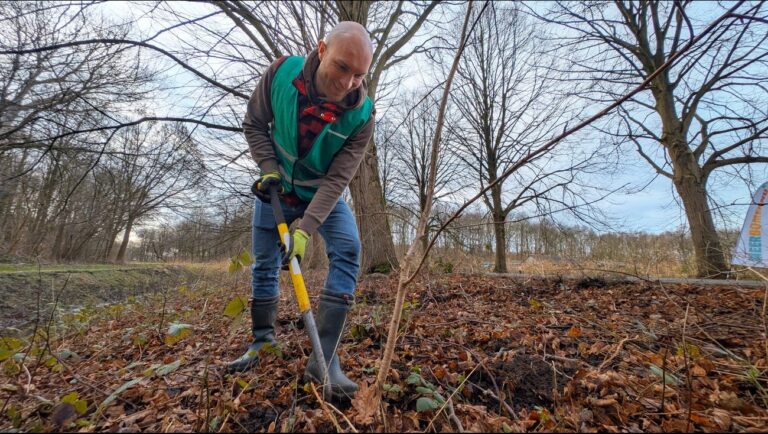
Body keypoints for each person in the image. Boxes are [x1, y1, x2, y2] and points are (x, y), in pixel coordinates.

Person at [227, 21, 375, 401]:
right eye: (342, 67)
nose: (348, 83)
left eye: (359, 75)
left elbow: (338, 179)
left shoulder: (361, 116)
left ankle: (324, 356)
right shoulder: (280, 74)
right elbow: (255, 124)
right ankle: (262, 342)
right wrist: (267, 168)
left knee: (348, 249)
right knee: (264, 261)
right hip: (276, 188)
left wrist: (307, 228)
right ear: (322, 49)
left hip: (320, 193)